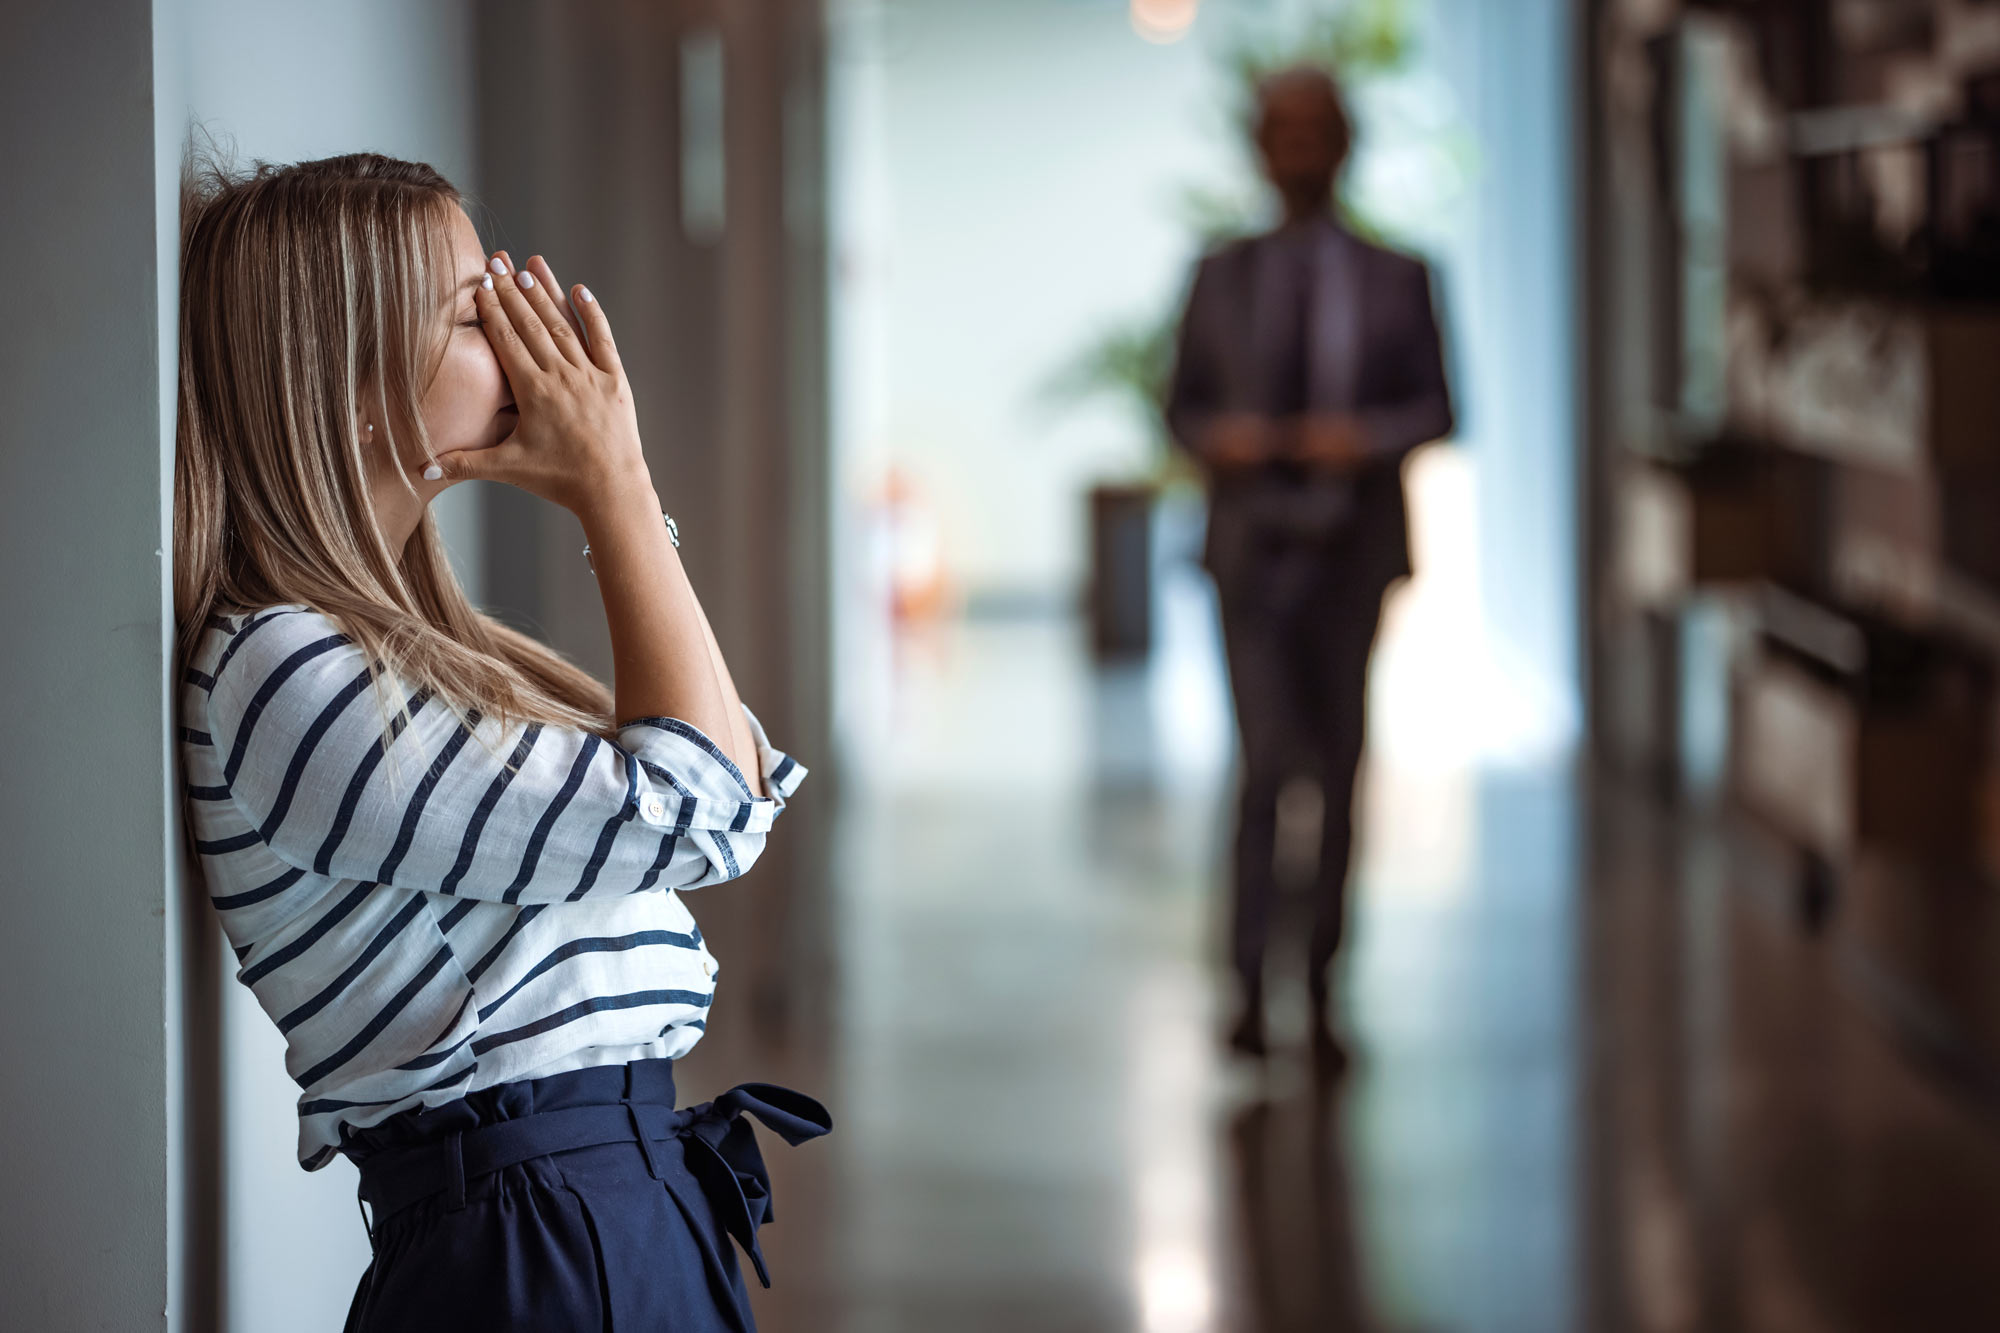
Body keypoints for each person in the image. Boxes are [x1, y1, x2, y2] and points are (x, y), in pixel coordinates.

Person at [174, 153, 828, 1332]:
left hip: (603, 1199)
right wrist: (614, 485)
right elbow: (704, 804)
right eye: (477, 308)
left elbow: (731, 775)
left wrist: (621, 489)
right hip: (537, 1233)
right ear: (353, 384)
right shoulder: (283, 675)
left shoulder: (402, 650)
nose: (534, 334)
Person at [1166, 67, 1455, 1067]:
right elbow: (1180, 409)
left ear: (1342, 144)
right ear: (1257, 147)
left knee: (1336, 774)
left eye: (1313, 130)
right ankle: (1247, 989)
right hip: (1250, 555)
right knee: (1262, 773)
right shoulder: (1219, 273)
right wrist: (1226, 440)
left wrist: (1362, 439)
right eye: (1278, 131)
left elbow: (1438, 407)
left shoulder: (1399, 274)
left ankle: (1323, 988)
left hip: (1350, 554)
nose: (1295, 149)